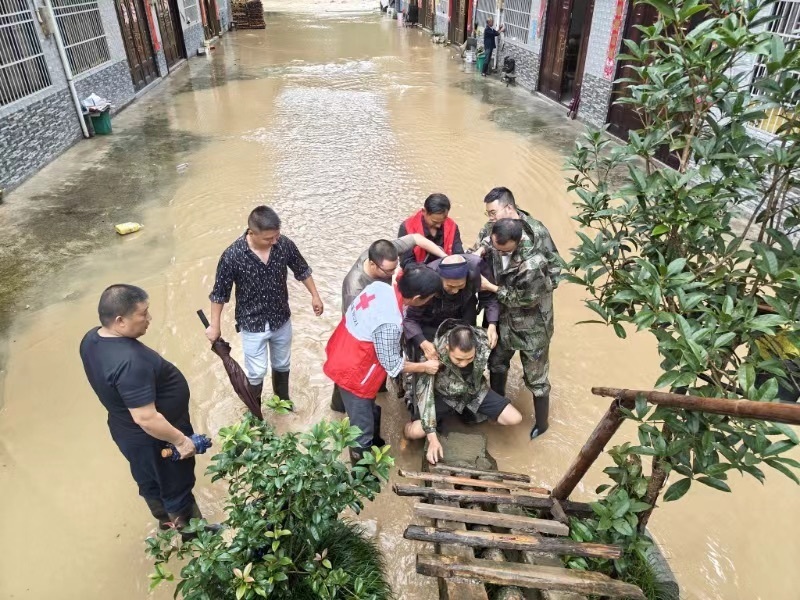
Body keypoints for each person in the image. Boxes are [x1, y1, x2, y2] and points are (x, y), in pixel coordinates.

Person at [79, 284, 204, 532]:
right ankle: (197, 539)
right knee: (176, 485)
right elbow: (146, 418)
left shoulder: (92, 338)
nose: (149, 319)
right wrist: (181, 441)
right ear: (120, 320)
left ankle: (165, 525)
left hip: (125, 431)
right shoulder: (130, 362)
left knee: (150, 482)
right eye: (143, 313)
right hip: (155, 438)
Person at [323, 265, 443, 464]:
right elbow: (393, 365)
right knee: (360, 430)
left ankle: (375, 445)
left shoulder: (379, 287)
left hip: (345, 349)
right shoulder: (390, 321)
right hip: (355, 372)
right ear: (416, 299)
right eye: (429, 298)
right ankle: (362, 477)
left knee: (370, 410)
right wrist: (425, 367)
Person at [206, 206, 323, 407]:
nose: (274, 241)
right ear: (252, 233)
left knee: (282, 363)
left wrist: (315, 296)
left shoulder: (284, 244)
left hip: (281, 318)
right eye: (268, 239)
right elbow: (219, 295)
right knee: (257, 371)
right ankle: (255, 412)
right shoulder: (232, 256)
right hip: (252, 324)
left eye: (276, 236)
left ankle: (282, 403)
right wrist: (215, 326)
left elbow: (302, 269)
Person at [330, 235, 448, 412]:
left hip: (367, 331)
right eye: (388, 272)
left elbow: (415, 238)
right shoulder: (354, 289)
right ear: (372, 264)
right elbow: (389, 360)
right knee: (352, 385)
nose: (393, 275)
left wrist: (445, 257)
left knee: (373, 375)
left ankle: (376, 392)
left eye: (395, 269)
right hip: (359, 340)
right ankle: (340, 407)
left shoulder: (384, 253)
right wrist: (424, 367)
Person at [480, 218, 559, 439]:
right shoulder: (495, 239)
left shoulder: (533, 263)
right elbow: (486, 241)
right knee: (496, 363)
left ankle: (542, 424)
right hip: (504, 322)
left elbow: (526, 299)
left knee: (537, 379)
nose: (495, 249)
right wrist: (479, 250)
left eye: (500, 247)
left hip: (532, 329)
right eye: (494, 244)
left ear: (515, 242)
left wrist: (491, 287)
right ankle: (497, 410)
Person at [404, 321, 523, 465]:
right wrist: (432, 438)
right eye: (458, 359)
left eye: (469, 358)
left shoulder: (483, 341)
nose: (464, 363)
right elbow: (425, 395)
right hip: (443, 396)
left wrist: (492, 325)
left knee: (514, 418)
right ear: (448, 348)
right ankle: (405, 434)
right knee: (416, 432)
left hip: (472, 390)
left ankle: (476, 416)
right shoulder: (433, 356)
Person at [404, 253, 500, 360]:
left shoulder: (477, 270)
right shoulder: (427, 278)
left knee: (466, 354)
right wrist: (423, 343)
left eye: (460, 286)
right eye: (450, 286)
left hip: (464, 315)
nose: (454, 291)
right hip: (432, 319)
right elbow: (410, 319)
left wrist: (492, 324)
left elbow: (489, 298)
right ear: (440, 279)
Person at [397, 193, 463, 268]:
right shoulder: (407, 227)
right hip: (418, 272)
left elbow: (459, 253)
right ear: (424, 211)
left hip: (446, 269)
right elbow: (406, 262)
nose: (438, 225)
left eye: (442, 221)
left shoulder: (452, 226)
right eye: (434, 222)